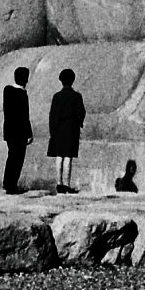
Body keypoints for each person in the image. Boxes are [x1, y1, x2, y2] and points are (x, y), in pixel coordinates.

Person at [47, 67, 86, 195]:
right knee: (68, 157)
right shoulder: (76, 96)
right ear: (73, 80)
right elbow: (81, 112)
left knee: (59, 156)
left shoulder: (56, 96)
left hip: (58, 129)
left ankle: (59, 183)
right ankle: (67, 184)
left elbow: (52, 115)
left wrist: (52, 130)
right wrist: (79, 123)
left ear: (61, 80)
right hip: (71, 129)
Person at [1, 65, 32, 195]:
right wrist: (29, 133)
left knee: (11, 157)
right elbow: (24, 116)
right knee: (18, 159)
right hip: (20, 132)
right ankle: (12, 186)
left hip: (9, 130)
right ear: (25, 79)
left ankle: (7, 183)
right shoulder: (22, 94)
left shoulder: (7, 90)